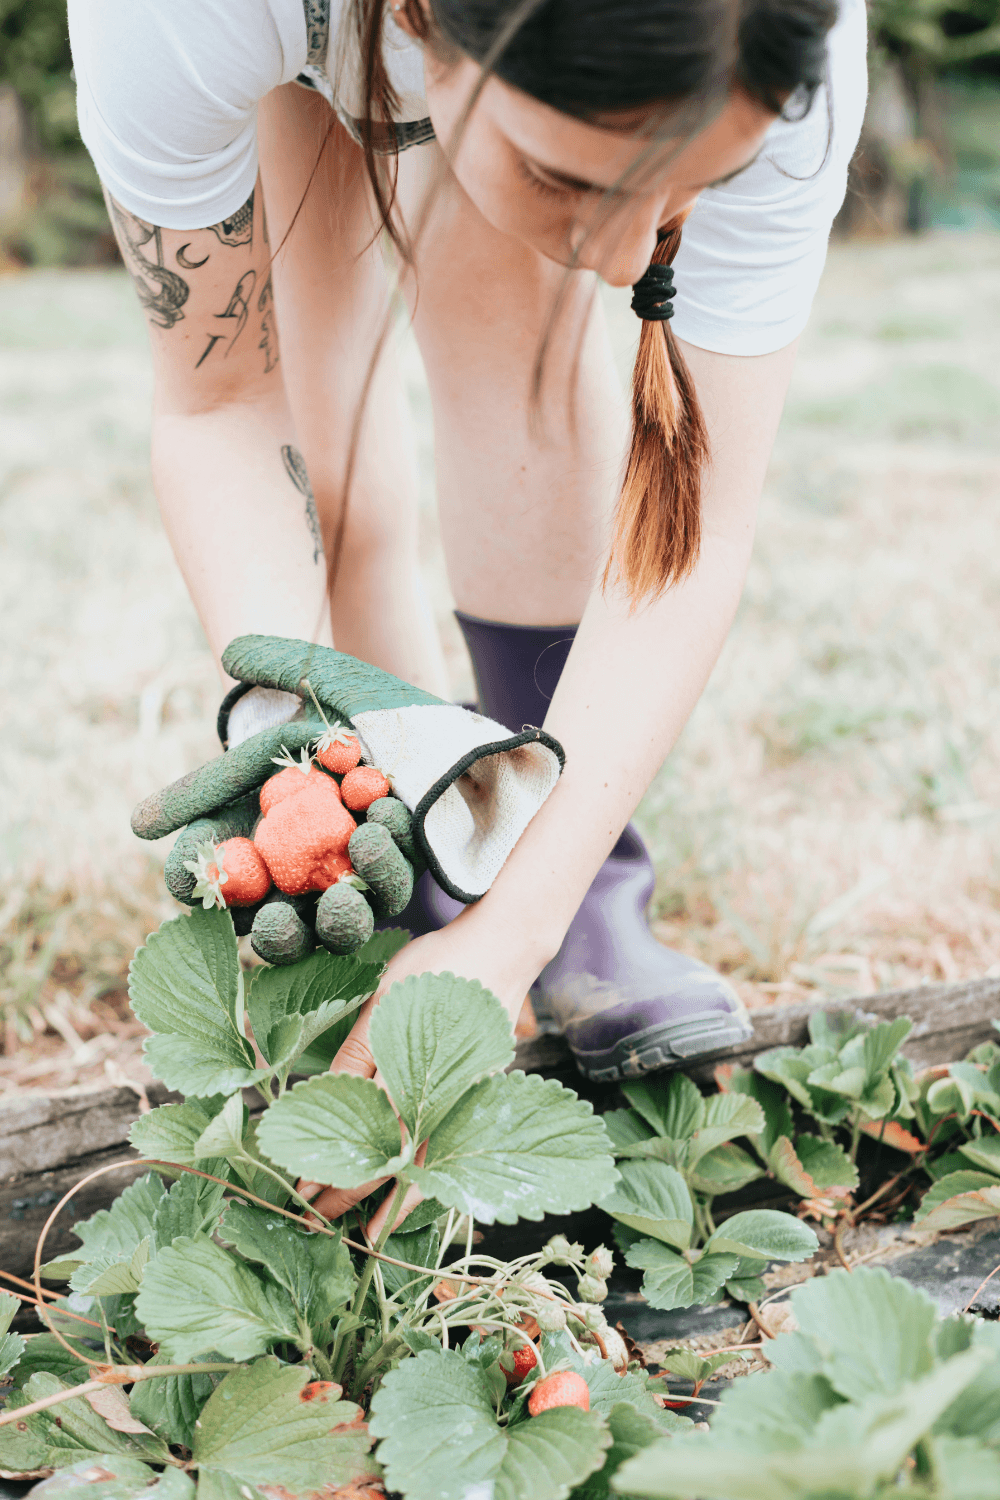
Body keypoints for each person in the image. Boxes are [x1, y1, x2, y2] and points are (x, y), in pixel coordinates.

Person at [69, 0, 867, 1220]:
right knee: (322, 402)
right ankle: (407, 825)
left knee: (511, 315)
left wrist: (520, 934)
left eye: (694, 182)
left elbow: (690, 523)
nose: (620, 263)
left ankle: (553, 870)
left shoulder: (785, 53)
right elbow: (222, 399)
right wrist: (292, 736)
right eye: (565, 173)